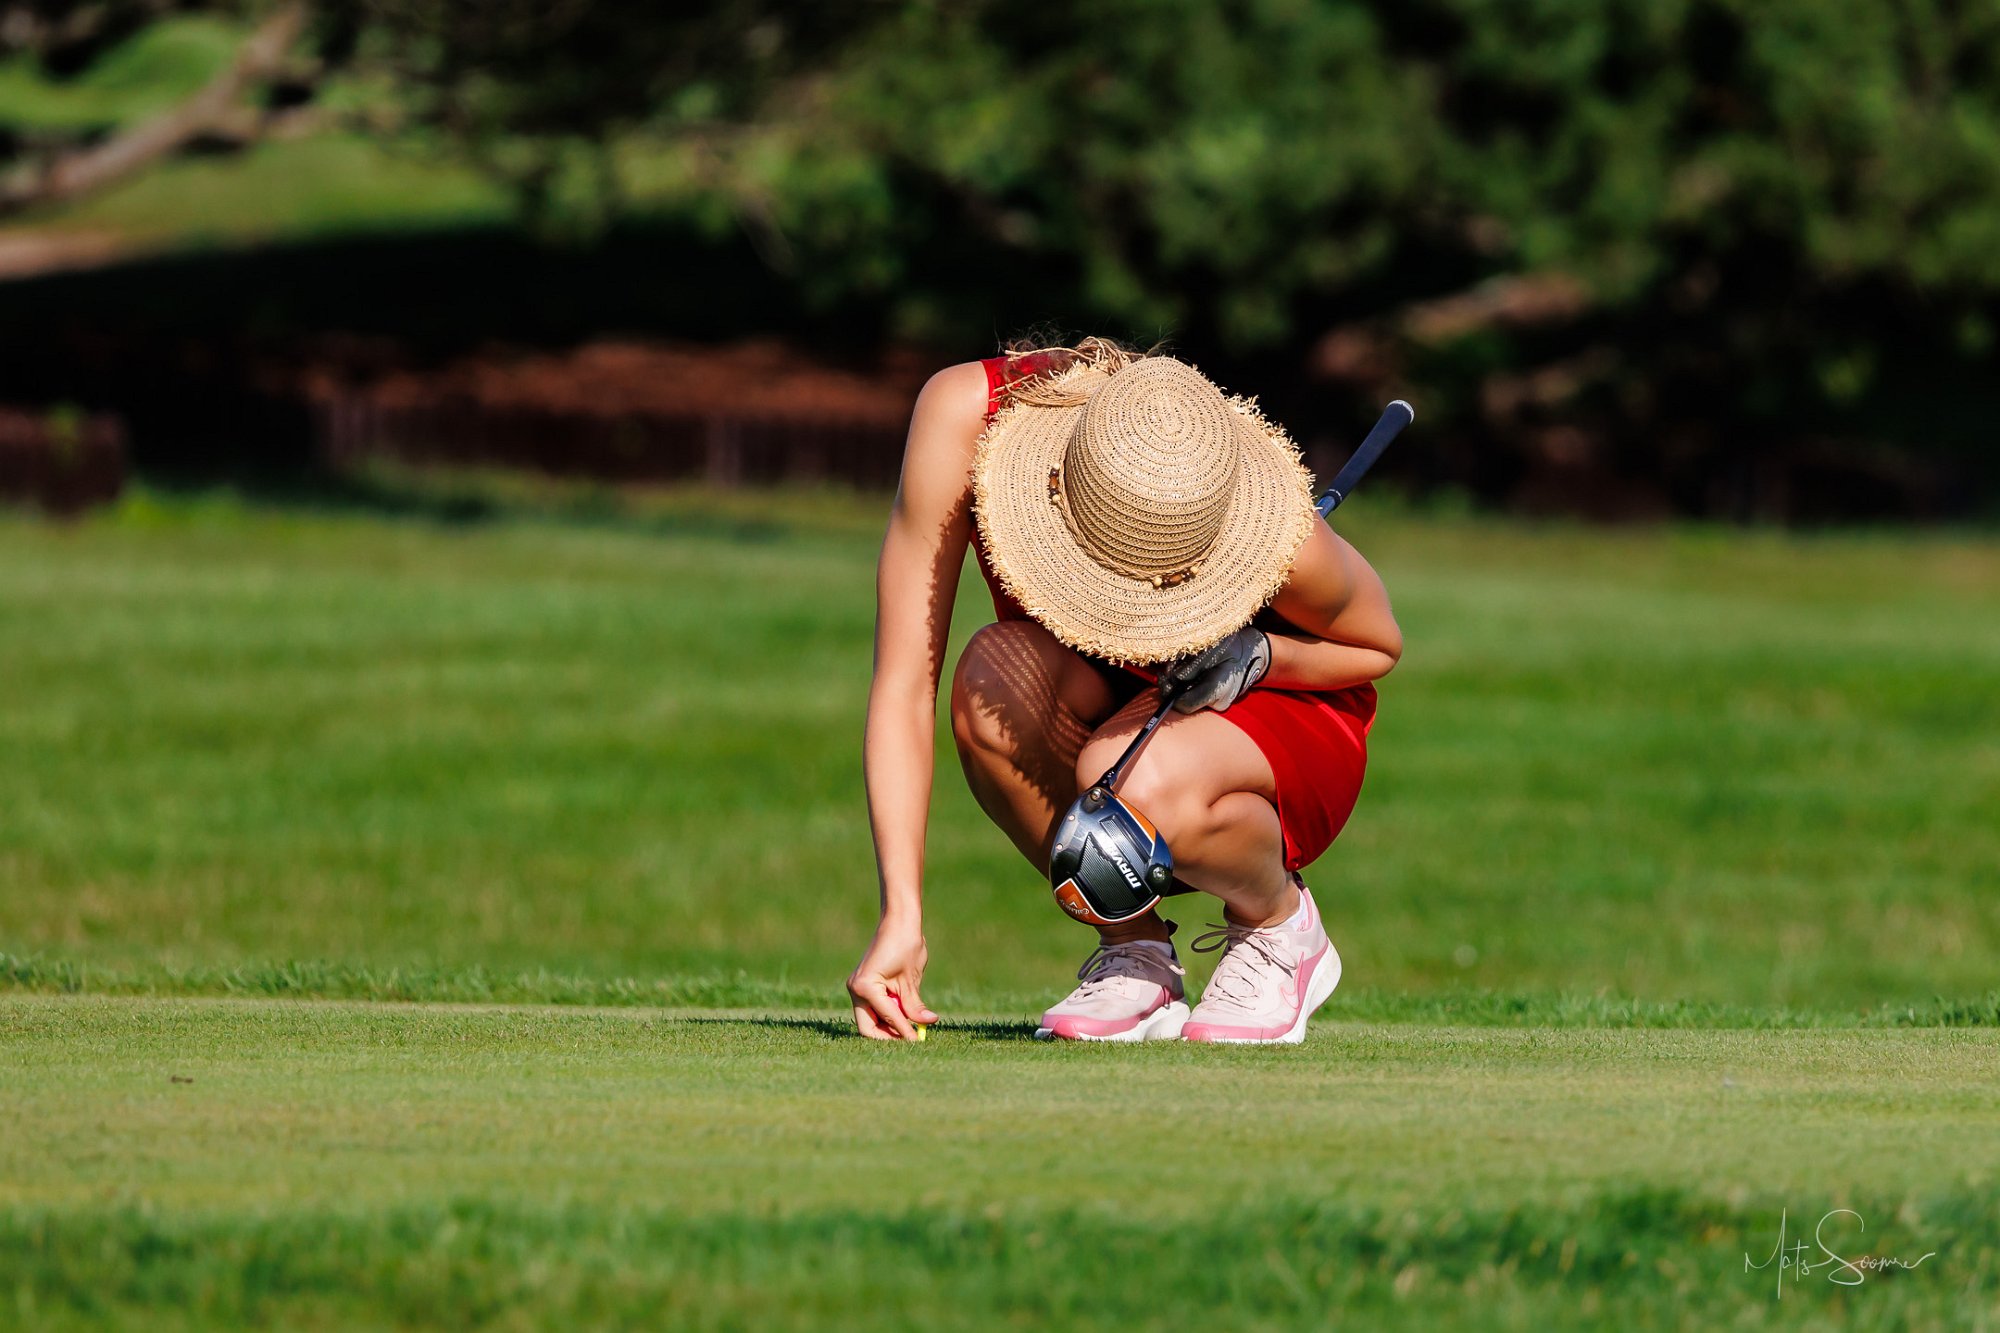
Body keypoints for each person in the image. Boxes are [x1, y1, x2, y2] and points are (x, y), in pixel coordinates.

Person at [849, 338, 1402, 1044]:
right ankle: (1134, 953)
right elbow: (903, 683)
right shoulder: (965, 415)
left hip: (1285, 708)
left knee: (1127, 776)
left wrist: (1258, 653)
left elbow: (1376, 646)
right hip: (1120, 695)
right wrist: (903, 914)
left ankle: (1278, 927)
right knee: (992, 678)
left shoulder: (1266, 521)